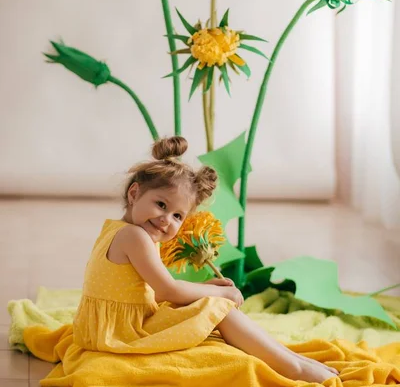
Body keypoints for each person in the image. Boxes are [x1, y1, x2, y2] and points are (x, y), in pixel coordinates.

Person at [73, 136, 339, 383]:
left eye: (178, 216)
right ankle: (294, 368)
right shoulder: (135, 236)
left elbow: (152, 288)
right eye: (161, 205)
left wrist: (206, 289)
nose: (167, 219)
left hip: (110, 326)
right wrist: (215, 293)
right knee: (216, 307)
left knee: (207, 301)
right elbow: (168, 289)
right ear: (134, 194)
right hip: (122, 333)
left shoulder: (121, 229)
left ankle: (292, 358)